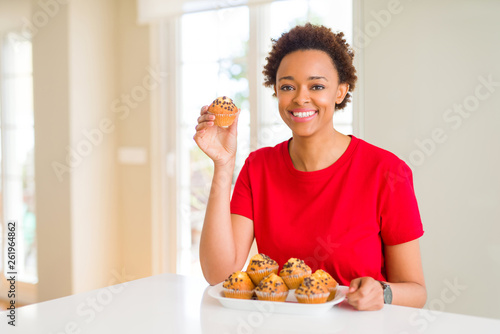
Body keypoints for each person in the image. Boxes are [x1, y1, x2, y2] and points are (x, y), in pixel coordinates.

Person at [194, 23, 426, 311]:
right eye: (287, 87)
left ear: (340, 92)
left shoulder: (387, 171)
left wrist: (382, 292)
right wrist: (223, 165)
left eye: (317, 86)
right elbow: (219, 275)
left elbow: (417, 293)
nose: (301, 98)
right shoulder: (259, 167)